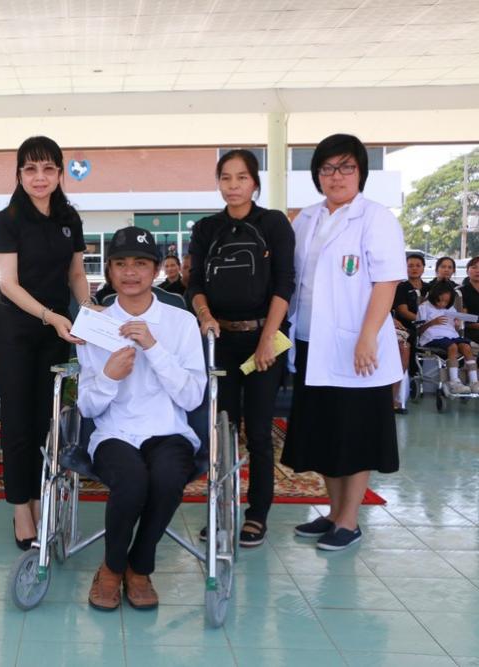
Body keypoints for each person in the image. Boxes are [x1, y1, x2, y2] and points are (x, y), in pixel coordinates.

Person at [282, 133, 404, 551]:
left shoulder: (376, 218)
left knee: (355, 435)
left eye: (346, 167)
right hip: (310, 341)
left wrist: (367, 336)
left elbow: (386, 282)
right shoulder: (306, 219)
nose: (336, 176)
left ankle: (349, 521)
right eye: (327, 168)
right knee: (323, 433)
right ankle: (333, 513)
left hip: (357, 347)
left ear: (360, 172)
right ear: (317, 175)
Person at [76, 227, 205, 610]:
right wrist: (108, 377)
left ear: (156, 270)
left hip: (168, 429)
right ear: (109, 271)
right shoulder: (94, 324)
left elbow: (192, 397)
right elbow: (87, 407)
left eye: (140, 264)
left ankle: (139, 567)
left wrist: (153, 347)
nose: (130, 272)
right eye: (120, 264)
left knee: (166, 478)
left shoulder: (180, 322)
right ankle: (112, 568)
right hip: (114, 432)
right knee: (131, 481)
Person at [0, 135, 93, 549]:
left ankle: (39, 497)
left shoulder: (69, 218)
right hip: (15, 328)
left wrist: (90, 309)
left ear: (59, 173)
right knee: (18, 419)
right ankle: (21, 508)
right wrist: (51, 316)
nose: (40, 177)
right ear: (19, 174)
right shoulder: (8, 220)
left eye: (48, 168)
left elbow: (76, 274)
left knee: (46, 420)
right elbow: (8, 284)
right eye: (31, 169)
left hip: (56, 330)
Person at [188, 148, 295, 547]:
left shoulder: (273, 223)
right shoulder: (206, 228)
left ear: (255, 182)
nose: (233, 186)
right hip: (221, 342)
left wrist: (267, 339)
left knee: (259, 431)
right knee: (222, 431)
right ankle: (220, 510)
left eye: (241, 177)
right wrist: (204, 316)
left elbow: (285, 283)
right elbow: (195, 284)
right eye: (225, 178)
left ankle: (257, 514)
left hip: (264, 340)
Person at [417, 281, 477, 395]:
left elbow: (455, 327)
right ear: (434, 296)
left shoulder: (451, 309)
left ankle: (474, 381)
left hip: (451, 335)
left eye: (446, 302)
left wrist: (457, 324)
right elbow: (419, 330)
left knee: (466, 347)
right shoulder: (424, 307)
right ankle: (454, 382)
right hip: (432, 336)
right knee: (452, 347)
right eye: (440, 300)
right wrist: (432, 323)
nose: (442, 304)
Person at [392, 253, 427, 411]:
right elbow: (402, 311)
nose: (414, 268)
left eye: (418, 265)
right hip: (407, 326)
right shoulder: (401, 287)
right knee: (408, 341)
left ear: (423, 268)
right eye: (410, 265)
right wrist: (422, 321)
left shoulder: (430, 288)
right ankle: (409, 378)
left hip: (428, 326)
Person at [460, 256, 479, 344]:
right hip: (469, 330)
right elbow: (463, 318)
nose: (478, 271)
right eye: (474, 267)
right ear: (467, 271)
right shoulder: (460, 292)